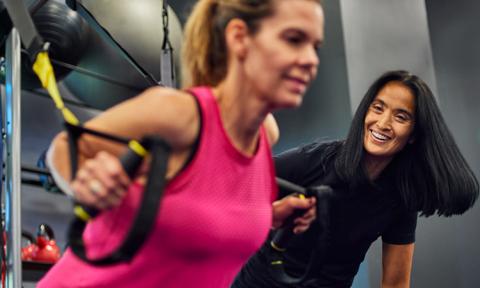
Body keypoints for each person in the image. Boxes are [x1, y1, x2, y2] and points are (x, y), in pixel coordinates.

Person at [37, 0, 325, 287]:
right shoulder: (180, 115)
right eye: (294, 40)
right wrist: (87, 182)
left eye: (315, 47)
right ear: (239, 38)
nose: (311, 60)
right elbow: (64, 148)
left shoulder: (263, 135)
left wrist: (268, 216)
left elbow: (196, 211)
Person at [232, 70, 479, 288]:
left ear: (413, 135)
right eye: (378, 108)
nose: (382, 124)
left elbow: (395, 283)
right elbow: (233, 191)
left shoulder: (401, 197)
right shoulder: (313, 160)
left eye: (400, 117)